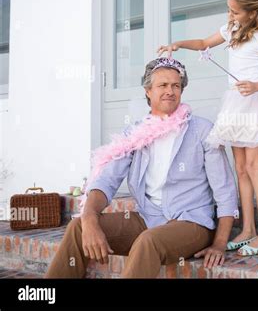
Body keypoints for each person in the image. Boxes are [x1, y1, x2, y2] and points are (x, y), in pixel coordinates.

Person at [45, 57, 239, 278]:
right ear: (148, 90)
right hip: (149, 217)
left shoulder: (203, 130)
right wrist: (89, 217)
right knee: (78, 227)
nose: (170, 91)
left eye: (176, 85)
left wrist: (220, 242)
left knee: (148, 241)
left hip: (192, 221)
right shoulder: (134, 133)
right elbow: (107, 180)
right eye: (162, 85)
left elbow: (225, 190)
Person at [157, 0, 258, 256]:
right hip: (234, 104)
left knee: (253, 166)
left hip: (254, 103)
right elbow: (203, 42)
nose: (230, 15)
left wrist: (255, 85)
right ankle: (248, 228)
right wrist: (177, 43)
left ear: (254, 11)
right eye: (229, 9)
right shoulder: (232, 29)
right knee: (239, 167)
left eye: (235, 11)